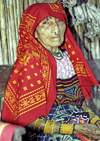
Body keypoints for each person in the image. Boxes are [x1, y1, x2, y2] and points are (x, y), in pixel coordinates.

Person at [1, 2, 100, 141]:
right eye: (46, 23)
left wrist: (96, 121)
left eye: (59, 21)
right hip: (48, 131)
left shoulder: (69, 57)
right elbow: (26, 119)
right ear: (34, 32)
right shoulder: (30, 60)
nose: (56, 30)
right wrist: (75, 129)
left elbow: (80, 103)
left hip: (79, 123)